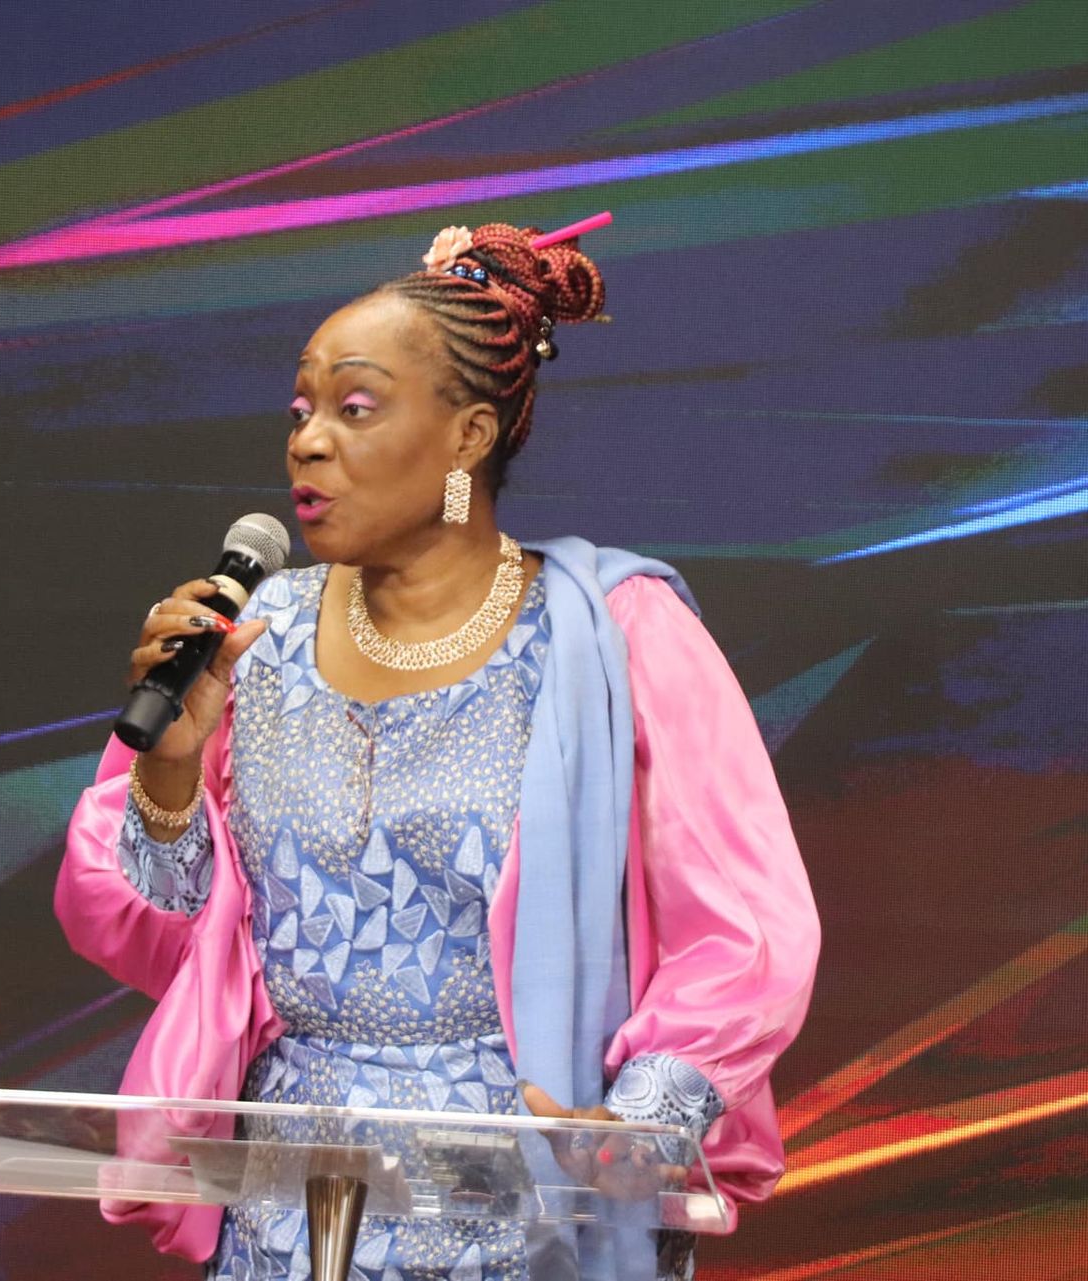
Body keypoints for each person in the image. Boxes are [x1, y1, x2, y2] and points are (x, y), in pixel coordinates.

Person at [55, 219, 820, 1280]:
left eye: (355, 408)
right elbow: (160, 944)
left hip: (528, 1213)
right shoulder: (255, 638)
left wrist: (628, 1135)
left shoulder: (612, 634)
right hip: (288, 1220)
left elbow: (749, 933)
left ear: (467, 437)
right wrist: (170, 772)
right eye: (301, 411)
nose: (308, 441)